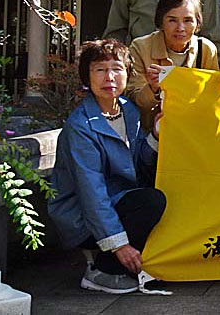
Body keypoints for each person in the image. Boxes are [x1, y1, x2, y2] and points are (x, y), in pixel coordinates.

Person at [49, 39, 165, 294]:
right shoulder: (80, 126)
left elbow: (138, 161)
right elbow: (91, 191)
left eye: (117, 69)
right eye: (100, 70)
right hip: (82, 214)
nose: (109, 77)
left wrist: (155, 135)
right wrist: (119, 245)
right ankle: (103, 269)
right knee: (150, 202)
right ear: (87, 76)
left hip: (115, 200)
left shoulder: (129, 110)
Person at [128, 0, 220, 129]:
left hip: (192, 129)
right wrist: (153, 88)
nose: (180, 28)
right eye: (172, 20)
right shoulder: (140, 47)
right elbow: (134, 100)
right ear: (161, 22)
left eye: (188, 20)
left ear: (198, 24)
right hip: (150, 131)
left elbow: (210, 100)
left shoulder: (206, 49)